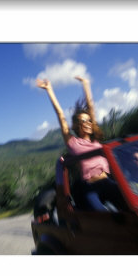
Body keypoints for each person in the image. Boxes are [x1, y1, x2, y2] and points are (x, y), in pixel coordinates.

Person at [36, 76, 125, 211]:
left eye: (89, 120)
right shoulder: (73, 143)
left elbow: (91, 107)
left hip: (107, 182)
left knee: (130, 206)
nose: (88, 123)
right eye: (84, 121)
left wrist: (86, 84)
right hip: (89, 188)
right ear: (77, 125)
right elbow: (61, 115)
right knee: (103, 217)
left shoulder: (95, 140)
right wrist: (49, 90)